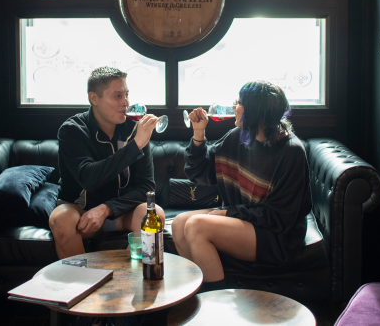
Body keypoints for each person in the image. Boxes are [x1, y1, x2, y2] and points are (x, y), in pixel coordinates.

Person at [171, 80, 312, 293]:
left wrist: (227, 212)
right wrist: (198, 134)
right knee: (179, 223)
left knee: (196, 225)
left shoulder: (291, 151)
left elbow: (279, 218)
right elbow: (201, 173)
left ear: (255, 112)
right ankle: (195, 295)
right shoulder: (239, 137)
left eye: (238, 103)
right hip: (245, 219)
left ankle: (215, 300)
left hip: (276, 235)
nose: (234, 108)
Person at [50, 67, 166, 259]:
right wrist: (135, 146)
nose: (126, 103)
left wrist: (107, 209)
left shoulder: (133, 128)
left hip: (120, 212)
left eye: (126, 95)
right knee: (61, 218)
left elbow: (146, 187)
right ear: (94, 98)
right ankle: (83, 285)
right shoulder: (72, 130)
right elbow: (88, 178)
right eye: (117, 96)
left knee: (154, 214)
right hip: (81, 213)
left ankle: (133, 281)